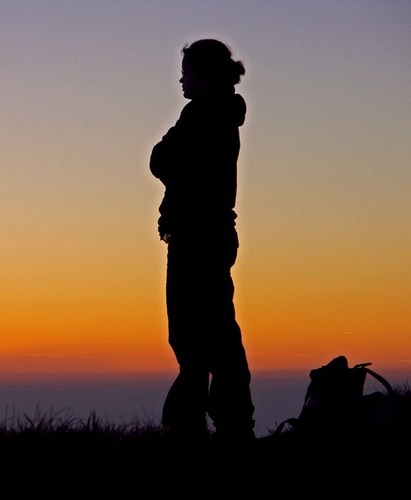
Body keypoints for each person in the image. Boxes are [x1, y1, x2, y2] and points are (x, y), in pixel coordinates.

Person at [150, 38, 255, 442]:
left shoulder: (203, 114)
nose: (181, 78)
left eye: (187, 71)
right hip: (204, 233)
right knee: (204, 331)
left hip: (199, 234)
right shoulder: (218, 114)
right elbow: (168, 161)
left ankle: (214, 424)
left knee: (204, 333)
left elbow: (160, 159)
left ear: (205, 74)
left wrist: (174, 163)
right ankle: (209, 422)